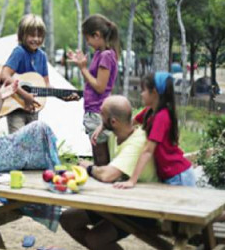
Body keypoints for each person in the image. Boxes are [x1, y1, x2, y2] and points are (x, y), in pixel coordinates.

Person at [60, 95, 158, 250]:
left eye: (102, 115)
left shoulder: (137, 142)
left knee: (96, 239)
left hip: (143, 208)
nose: (99, 117)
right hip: (120, 201)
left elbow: (107, 175)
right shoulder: (116, 134)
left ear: (113, 122)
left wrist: (88, 167)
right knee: (68, 219)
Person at [113, 72, 195, 189]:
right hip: (170, 175)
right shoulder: (150, 112)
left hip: (179, 176)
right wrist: (105, 125)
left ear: (154, 93)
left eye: (144, 90)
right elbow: (127, 123)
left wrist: (132, 181)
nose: (141, 94)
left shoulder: (162, 117)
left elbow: (148, 151)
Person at [67, 14, 120, 166]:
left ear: (96, 35)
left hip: (98, 112)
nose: (87, 43)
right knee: (98, 155)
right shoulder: (100, 54)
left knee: (101, 158)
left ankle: (102, 183)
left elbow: (99, 86)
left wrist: (83, 68)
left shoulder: (106, 56)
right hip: (93, 110)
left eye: (87, 38)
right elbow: (93, 83)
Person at [0, 14, 50, 134]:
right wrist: (24, 94)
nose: (36, 39)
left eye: (39, 36)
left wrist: (63, 95)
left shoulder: (42, 56)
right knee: (18, 143)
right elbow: (4, 75)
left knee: (31, 144)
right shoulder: (19, 52)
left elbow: (46, 85)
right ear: (22, 35)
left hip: (33, 108)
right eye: (32, 35)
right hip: (15, 107)